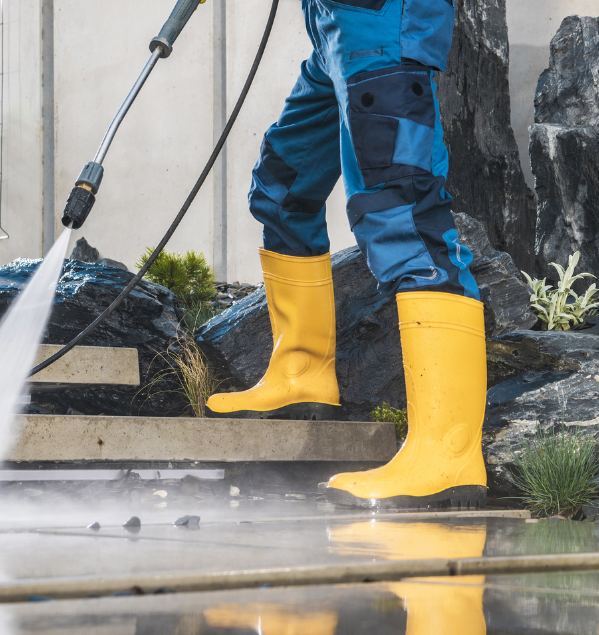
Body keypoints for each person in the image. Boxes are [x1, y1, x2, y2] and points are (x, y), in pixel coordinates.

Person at [205, 0, 487, 510]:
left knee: (404, 219)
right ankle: (300, 374)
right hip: (332, 34)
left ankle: (448, 454)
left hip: (380, 30)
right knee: (281, 191)